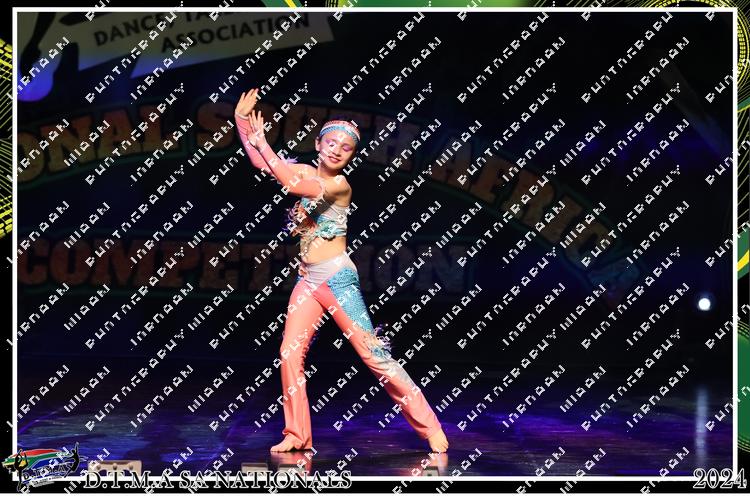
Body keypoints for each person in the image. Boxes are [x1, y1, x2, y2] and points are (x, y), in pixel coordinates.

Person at [234, 88, 449, 454]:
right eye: (330, 143)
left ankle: (431, 428)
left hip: (337, 279)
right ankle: (297, 435)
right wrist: (242, 121)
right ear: (318, 144)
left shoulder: (338, 185)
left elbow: (290, 183)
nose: (336, 150)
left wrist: (264, 143)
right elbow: (262, 163)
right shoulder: (306, 170)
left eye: (345, 148)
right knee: (289, 354)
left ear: (350, 156)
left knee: (373, 355)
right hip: (307, 280)